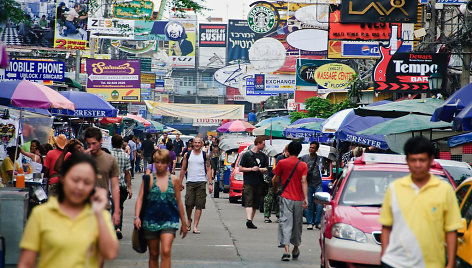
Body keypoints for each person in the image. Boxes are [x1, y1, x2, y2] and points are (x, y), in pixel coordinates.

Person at [17, 153, 119, 268]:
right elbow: (26, 262)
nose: (80, 187)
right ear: (63, 178)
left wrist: (98, 213)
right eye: (75, 180)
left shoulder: (100, 216)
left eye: (87, 182)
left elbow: (110, 253)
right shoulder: (41, 214)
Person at [379, 136, 462, 268]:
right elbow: (386, 227)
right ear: (407, 161)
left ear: (430, 160)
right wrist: (384, 256)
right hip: (394, 263)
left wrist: (450, 263)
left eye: (422, 160)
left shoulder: (445, 190)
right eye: (413, 160)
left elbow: (451, 230)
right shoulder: (394, 189)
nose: (418, 165)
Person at [134, 149, 187, 268]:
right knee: (153, 253)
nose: (159, 165)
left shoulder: (174, 180)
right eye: (157, 162)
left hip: (169, 220)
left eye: (163, 162)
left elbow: (178, 201)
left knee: (166, 251)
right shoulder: (148, 179)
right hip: (150, 220)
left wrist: (184, 222)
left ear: (168, 163)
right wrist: (137, 217)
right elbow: (140, 199)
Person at [272, 141, 308, 262]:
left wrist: (276, 189)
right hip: (298, 199)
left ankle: (286, 250)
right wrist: (306, 198)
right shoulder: (303, 165)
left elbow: (275, 179)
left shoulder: (282, 162)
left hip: (286, 197)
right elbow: (304, 181)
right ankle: (296, 248)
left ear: (289, 150)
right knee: (297, 224)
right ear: (299, 151)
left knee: (285, 222)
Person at [84, 127, 121, 227]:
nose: (91, 147)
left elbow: (115, 187)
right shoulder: (82, 159)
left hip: (103, 206)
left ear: (101, 141)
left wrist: (116, 210)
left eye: (94, 143)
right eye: (88, 144)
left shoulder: (110, 160)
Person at [179, 137, 212, 234]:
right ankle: (189, 219)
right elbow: (183, 169)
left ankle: (195, 226)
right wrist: (179, 183)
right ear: (192, 144)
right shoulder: (187, 155)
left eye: (199, 143)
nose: (197, 144)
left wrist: (210, 183)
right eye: (195, 143)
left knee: (199, 205)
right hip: (190, 182)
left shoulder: (205, 155)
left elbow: (209, 169)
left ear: (201, 144)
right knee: (188, 204)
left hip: (201, 182)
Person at [239, 136, 269, 229]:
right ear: (258, 143)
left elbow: (266, 168)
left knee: (255, 202)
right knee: (249, 200)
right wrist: (251, 169)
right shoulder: (247, 155)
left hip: (259, 182)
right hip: (249, 181)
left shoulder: (264, 156)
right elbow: (240, 168)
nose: (264, 146)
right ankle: (248, 219)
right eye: (263, 144)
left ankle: (250, 220)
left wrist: (260, 169)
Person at [110, 135, 132, 240]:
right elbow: (127, 173)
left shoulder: (108, 155)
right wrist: (130, 187)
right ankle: (118, 227)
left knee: (112, 206)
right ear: (121, 143)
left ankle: (114, 227)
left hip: (110, 185)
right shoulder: (126, 156)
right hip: (122, 185)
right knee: (119, 207)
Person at [300, 141, 323, 230]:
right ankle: (310, 222)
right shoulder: (304, 158)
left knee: (319, 204)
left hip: (318, 183)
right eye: (310, 147)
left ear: (317, 149)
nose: (311, 149)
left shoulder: (320, 159)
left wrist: (323, 167)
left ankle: (317, 222)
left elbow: (323, 170)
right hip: (308, 183)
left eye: (313, 148)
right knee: (308, 203)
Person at [264, 146, 288, 224]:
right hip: (274, 180)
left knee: (279, 199)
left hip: (283, 182)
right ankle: (267, 216)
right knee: (270, 198)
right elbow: (278, 170)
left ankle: (279, 215)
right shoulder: (280, 158)